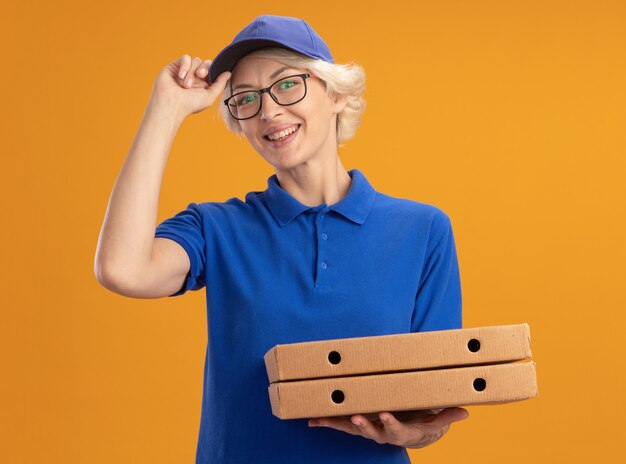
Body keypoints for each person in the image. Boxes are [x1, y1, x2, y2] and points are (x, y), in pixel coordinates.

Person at [94, 14, 469, 463]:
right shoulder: (215, 228)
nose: (268, 111)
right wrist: (165, 109)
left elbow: (433, 406)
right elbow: (122, 269)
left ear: (334, 94)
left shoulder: (423, 229)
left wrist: (409, 433)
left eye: (286, 85)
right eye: (245, 99)